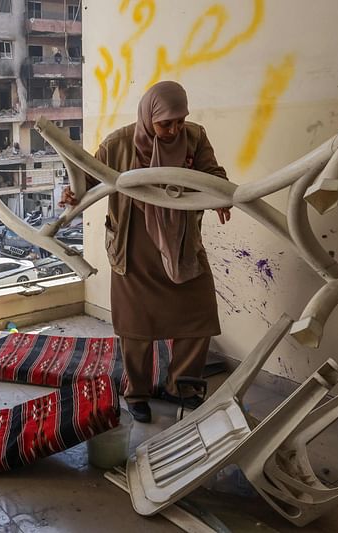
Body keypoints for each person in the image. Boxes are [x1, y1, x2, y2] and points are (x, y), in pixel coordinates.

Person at [61, 81, 231, 423]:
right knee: (135, 327)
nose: (174, 130)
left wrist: (221, 196)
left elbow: (213, 174)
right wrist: (72, 192)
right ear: (147, 117)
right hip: (133, 245)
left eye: (180, 121)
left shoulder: (194, 138)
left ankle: (182, 386)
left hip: (181, 243)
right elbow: (89, 179)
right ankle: (136, 393)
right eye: (165, 123)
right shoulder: (118, 144)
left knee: (197, 319)